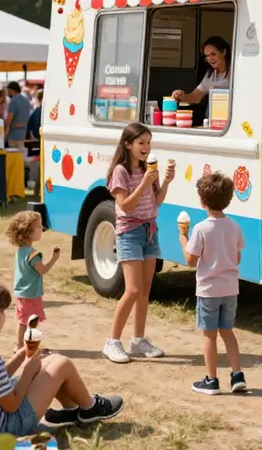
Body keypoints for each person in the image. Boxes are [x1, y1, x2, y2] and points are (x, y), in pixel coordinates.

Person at [0, 281, 124, 438]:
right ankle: (91, 408)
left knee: (49, 363)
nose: (5, 317)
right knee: (61, 364)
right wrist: (28, 371)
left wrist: (22, 354)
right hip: (3, 429)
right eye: (2, 312)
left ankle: (72, 411)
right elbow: (12, 405)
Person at [103, 123, 174, 364]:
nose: (146, 147)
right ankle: (112, 342)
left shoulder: (148, 168)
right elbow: (125, 205)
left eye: (148, 142)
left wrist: (166, 181)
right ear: (128, 144)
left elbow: (156, 202)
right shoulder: (120, 172)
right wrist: (145, 182)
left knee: (144, 290)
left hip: (150, 231)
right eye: (141, 142)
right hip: (129, 232)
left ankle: (138, 341)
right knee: (132, 290)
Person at [179, 171, 246, 395]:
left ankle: (212, 380)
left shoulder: (200, 229)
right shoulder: (234, 227)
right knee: (228, 332)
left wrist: (182, 238)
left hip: (208, 290)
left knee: (209, 335)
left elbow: (190, 260)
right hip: (230, 289)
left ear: (202, 200)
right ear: (228, 199)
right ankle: (237, 376)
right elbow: (237, 258)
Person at [6, 211, 60, 352]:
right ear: (28, 232)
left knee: (23, 321)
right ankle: (27, 346)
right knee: (30, 322)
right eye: (38, 227)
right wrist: (54, 258)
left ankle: (21, 345)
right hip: (31, 294)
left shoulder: (21, 251)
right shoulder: (33, 254)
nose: (41, 229)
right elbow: (43, 270)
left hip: (22, 294)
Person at [171, 36, 231, 104]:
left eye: (213, 54)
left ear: (224, 52)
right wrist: (181, 97)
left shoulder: (236, 72)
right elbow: (196, 97)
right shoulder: (210, 75)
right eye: (207, 56)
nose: (210, 59)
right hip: (212, 113)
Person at [5, 82, 31, 152]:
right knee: (21, 154)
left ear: (11, 90)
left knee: (14, 154)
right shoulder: (26, 100)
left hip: (13, 133)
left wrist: (5, 126)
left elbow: (9, 118)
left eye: (8, 91)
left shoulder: (13, 101)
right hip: (23, 132)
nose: (8, 93)